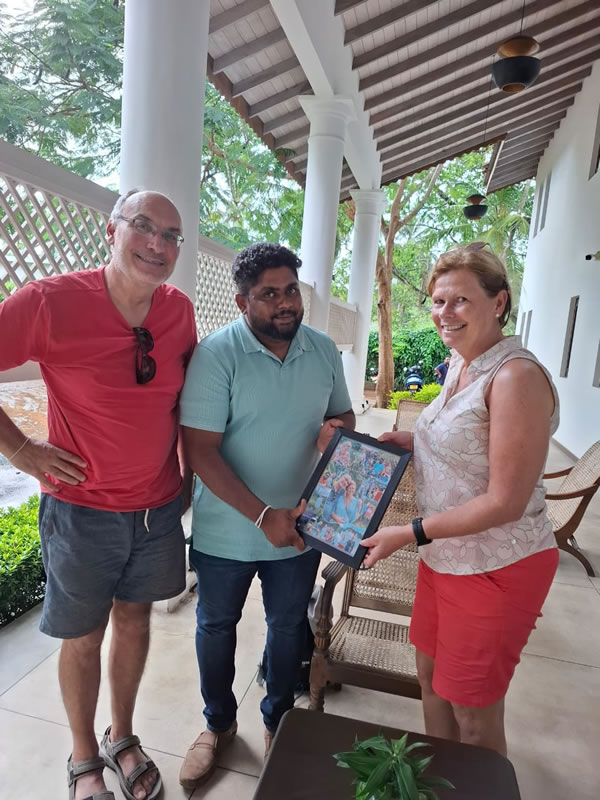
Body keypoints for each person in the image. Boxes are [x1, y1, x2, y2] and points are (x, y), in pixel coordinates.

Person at [0, 190, 197, 800]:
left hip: (156, 508)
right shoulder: (49, 302)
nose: (158, 244)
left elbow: (185, 401)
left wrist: (188, 476)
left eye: (171, 235)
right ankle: (84, 756)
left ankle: (122, 735)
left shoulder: (179, 311)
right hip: (81, 509)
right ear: (112, 231)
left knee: (134, 622)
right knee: (83, 636)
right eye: (144, 226)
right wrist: (20, 450)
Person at [362, 242, 559, 757]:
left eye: (460, 300)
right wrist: (414, 441)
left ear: (498, 302)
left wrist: (410, 532)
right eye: (437, 301)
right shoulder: (461, 361)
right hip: (444, 557)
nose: (444, 313)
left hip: (496, 564)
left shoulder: (515, 376)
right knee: (430, 679)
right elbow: (469, 443)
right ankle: (440, 783)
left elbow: (505, 500)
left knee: (472, 711)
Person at [178, 242, 355, 789]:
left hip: (299, 526)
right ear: (242, 301)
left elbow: (343, 416)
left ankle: (278, 720)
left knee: (286, 626)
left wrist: (334, 434)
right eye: (269, 294)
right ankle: (218, 725)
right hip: (227, 531)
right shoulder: (216, 355)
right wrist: (262, 516)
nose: (285, 303)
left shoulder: (322, 350)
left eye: (291, 291)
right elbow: (200, 449)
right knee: (215, 627)